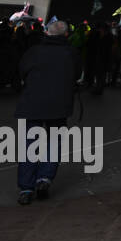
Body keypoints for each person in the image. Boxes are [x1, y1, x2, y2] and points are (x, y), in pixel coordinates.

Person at [14, 20, 78, 205]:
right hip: (59, 104)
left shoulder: (34, 51)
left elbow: (22, 71)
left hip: (33, 102)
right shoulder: (71, 53)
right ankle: (44, 179)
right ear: (66, 35)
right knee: (54, 141)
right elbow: (77, 74)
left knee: (30, 144)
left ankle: (26, 188)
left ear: (47, 33)